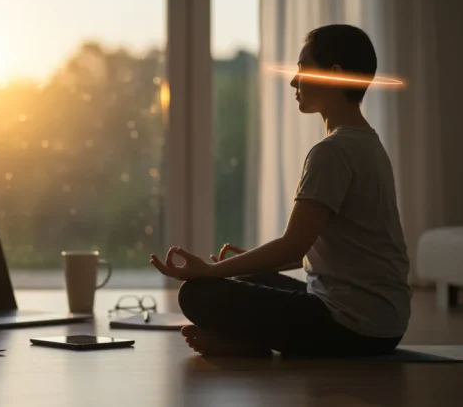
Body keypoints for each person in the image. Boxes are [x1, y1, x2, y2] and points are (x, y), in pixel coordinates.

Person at [150, 24, 411, 357]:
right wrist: (249, 264)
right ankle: (244, 339)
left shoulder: (332, 152)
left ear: (333, 75)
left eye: (303, 69)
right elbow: (329, 251)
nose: (293, 81)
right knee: (253, 278)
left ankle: (244, 342)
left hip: (352, 328)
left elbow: (291, 248)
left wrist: (211, 270)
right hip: (384, 324)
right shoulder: (368, 144)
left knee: (197, 293)